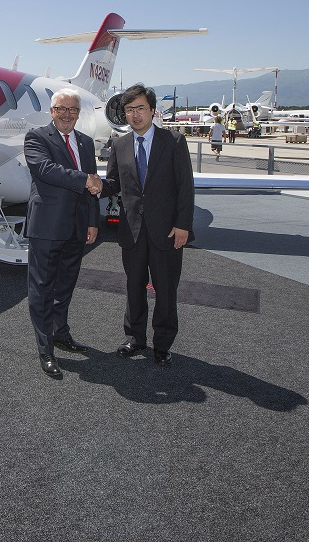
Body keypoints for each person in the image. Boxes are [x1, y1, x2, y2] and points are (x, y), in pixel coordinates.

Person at [101, 84, 195, 366]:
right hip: (132, 230)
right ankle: (135, 338)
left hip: (166, 230)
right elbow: (115, 183)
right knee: (134, 287)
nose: (135, 115)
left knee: (165, 289)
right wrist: (95, 185)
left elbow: (185, 187)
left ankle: (163, 343)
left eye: (140, 108)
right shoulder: (119, 145)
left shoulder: (174, 142)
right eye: (130, 110)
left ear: (153, 111)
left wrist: (183, 225)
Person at [24, 88, 101, 379]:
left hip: (77, 227)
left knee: (66, 283)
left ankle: (60, 332)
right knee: (42, 288)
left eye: (72, 110)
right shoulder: (37, 137)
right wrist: (85, 180)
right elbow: (45, 169)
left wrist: (93, 221)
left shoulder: (85, 142)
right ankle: (45, 349)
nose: (67, 114)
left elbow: (91, 191)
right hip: (47, 226)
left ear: (78, 114)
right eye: (61, 109)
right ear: (52, 111)